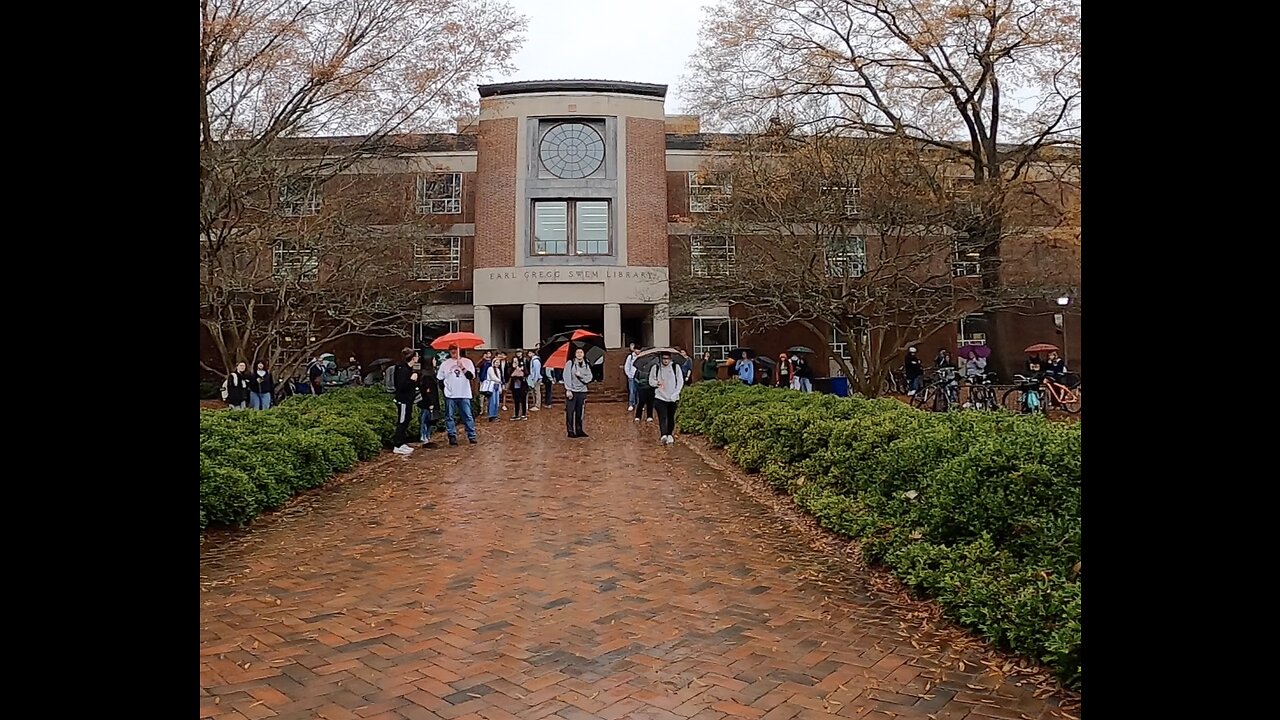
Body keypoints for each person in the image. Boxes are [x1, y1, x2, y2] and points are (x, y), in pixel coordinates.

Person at [437, 344, 478, 445]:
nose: (453, 351)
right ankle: (452, 435)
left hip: (464, 393)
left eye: (455, 349)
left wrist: (462, 367)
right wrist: (445, 390)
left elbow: (471, 377)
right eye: (451, 349)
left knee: (467, 415)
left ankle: (471, 435)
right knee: (449, 416)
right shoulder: (445, 364)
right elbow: (440, 378)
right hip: (450, 394)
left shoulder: (467, 362)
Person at [650, 351, 686, 445]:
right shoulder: (656, 368)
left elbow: (680, 381)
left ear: (670, 359)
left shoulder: (675, 367)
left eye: (667, 358)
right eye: (664, 358)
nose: (665, 361)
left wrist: (676, 393)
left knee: (671, 416)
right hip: (660, 396)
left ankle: (669, 434)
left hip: (672, 397)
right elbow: (651, 381)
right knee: (662, 416)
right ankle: (663, 434)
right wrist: (656, 383)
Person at [391, 348, 419, 455]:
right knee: (402, 421)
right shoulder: (402, 369)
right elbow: (401, 386)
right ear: (413, 358)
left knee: (406, 419)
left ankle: (402, 442)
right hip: (403, 400)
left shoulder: (408, 369)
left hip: (408, 400)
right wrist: (411, 380)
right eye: (416, 356)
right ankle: (397, 444)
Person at [564, 347, 593, 438]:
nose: (579, 354)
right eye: (577, 352)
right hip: (572, 391)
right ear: (575, 354)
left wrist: (580, 376)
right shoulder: (570, 363)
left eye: (581, 352)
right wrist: (568, 389)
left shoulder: (586, 364)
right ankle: (570, 431)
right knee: (570, 412)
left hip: (582, 391)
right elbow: (566, 376)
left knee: (580, 412)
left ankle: (579, 429)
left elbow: (589, 378)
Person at [417, 355, 439, 444]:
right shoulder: (426, 376)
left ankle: (427, 435)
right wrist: (430, 402)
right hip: (427, 401)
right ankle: (423, 435)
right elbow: (427, 390)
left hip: (429, 399)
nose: (435, 362)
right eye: (434, 360)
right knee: (425, 418)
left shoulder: (430, 373)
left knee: (429, 418)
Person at [485, 352, 505, 421]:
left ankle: (495, 414)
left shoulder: (498, 370)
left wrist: (500, 387)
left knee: (497, 402)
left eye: (498, 362)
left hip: (497, 386)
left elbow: (499, 378)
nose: (497, 364)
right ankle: (491, 415)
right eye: (496, 362)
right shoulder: (490, 369)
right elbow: (493, 377)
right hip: (492, 386)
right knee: (492, 401)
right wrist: (500, 381)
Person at [509, 350, 529, 420]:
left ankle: (523, 414)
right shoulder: (513, 363)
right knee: (516, 399)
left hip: (522, 383)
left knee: (523, 399)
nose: (518, 354)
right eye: (517, 353)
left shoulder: (525, 360)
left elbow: (527, 372)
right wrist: (514, 368)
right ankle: (516, 414)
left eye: (520, 352)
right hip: (515, 384)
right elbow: (509, 373)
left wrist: (522, 370)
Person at [623, 344, 639, 411]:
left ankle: (638, 404)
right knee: (632, 391)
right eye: (637, 349)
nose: (638, 351)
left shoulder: (640, 357)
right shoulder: (630, 357)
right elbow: (626, 366)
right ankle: (631, 404)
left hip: (638, 376)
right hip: (632, 376)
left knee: (638, 391)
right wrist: (629, 375)